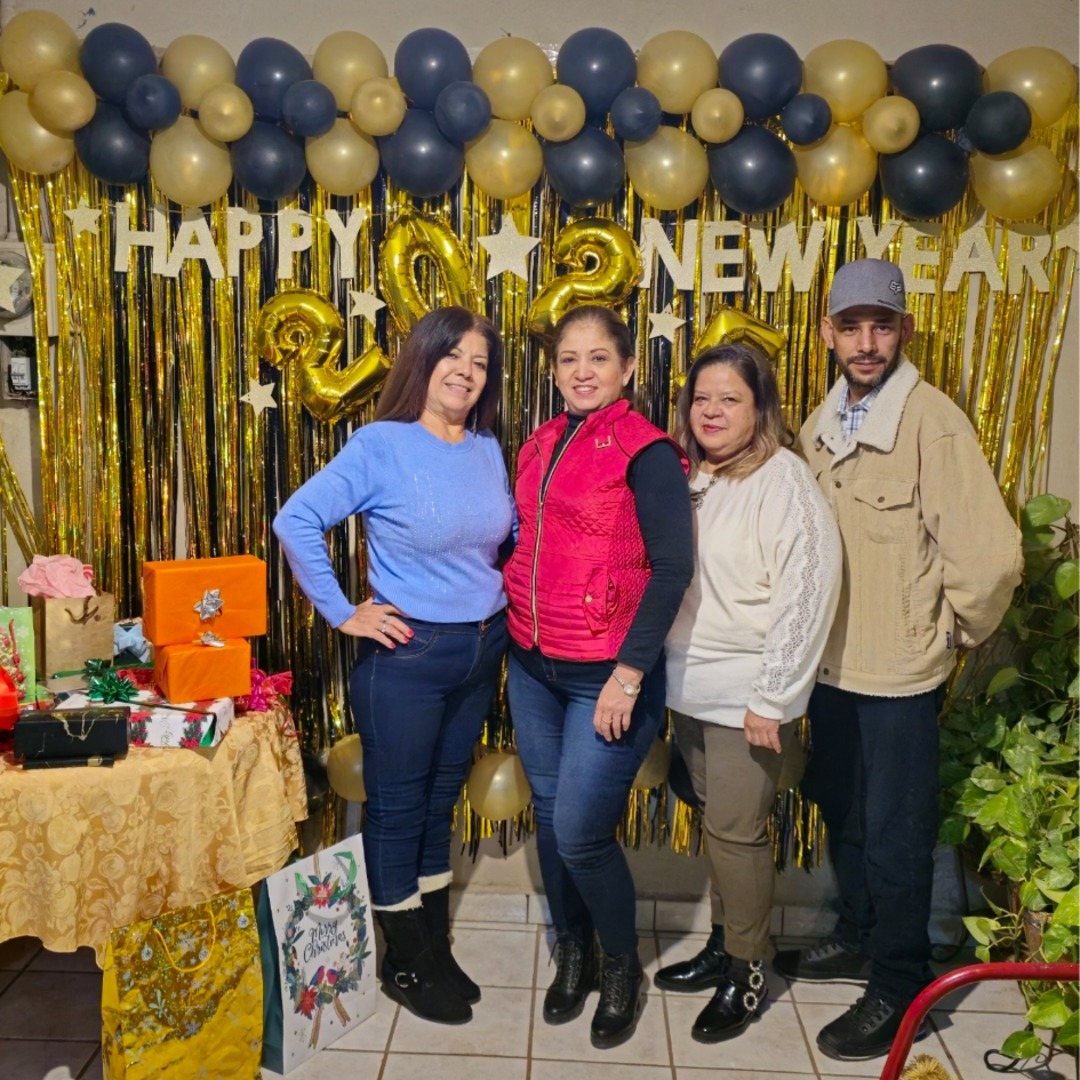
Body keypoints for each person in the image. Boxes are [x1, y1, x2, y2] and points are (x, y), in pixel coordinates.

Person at [773, 259, 1023, 1060]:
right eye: (851, 327)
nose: (867, 342)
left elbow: (992, 559)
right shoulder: (822, 423)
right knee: (841, 811)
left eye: (882, 326)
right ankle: (857, 934)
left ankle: (900, 981)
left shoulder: (932, 421)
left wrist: (949, 633)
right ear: (828, 334)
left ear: (904, 330)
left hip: (898, 677)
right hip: (831, 668)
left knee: (896, 834)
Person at [273, 307, 515, 1026]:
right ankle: (404, 962)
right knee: (399, 809)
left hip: (481, 649)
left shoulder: (486, 447)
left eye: (479, 362)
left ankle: (433, 948)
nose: (466, 372)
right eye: (453, 356)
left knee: (439, 806)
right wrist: (342, 611)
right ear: (424, 361)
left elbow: (494, 546)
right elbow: (295, 520)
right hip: (409, 658)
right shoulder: (381, 444)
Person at [503, 305, 693, 1048]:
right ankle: (573, 949)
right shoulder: (539, 443)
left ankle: (620, 964)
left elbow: (672, 570)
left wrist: (629, 675)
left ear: (627, 368)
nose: (582, 372)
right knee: (552, 819)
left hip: (605, 676)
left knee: (582, 833)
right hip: (533, 667)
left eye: (598, 358)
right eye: (568, 359)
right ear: (554, 370)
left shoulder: (647, 451)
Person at [656, 342, 842, 1043]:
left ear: (759, 408)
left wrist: (774, 695)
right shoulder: (693, 475)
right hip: (689, 685)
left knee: (737, 834)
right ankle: (724, 942)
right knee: (718, 827)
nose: (711, 411)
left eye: (729, 399)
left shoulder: (782, 478)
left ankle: (749, 969)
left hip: (745, 695)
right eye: (701, 398)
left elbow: (809, 587)